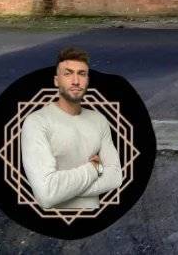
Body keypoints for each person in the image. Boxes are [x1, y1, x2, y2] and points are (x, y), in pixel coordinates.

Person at [19, 47, 123, 210]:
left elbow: (115, 176)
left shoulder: (99, 120)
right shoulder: (37, 122)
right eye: (67, 74)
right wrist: (94, 168)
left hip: (94, 216)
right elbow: (46, 195)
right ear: (56, 80)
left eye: (81, 74)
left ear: (87, 80)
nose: (75, 81)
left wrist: (64, 190)